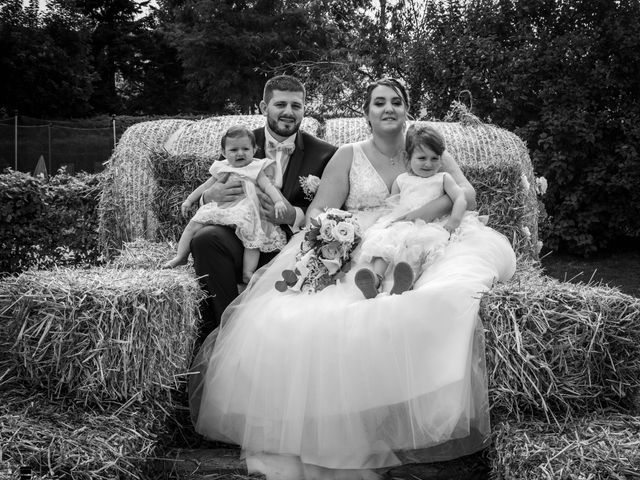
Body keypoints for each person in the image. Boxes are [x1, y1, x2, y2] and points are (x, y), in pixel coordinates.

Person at [189, 78, 517, 480]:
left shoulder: (427, 149)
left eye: (396, 101)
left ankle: (414, 406)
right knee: (316, 315)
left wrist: (414, 216)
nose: (388, 108)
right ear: (366, 112)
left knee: (444, 294)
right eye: (379, 102)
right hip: (363, 241)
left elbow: (467, 194)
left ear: (407, 108)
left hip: (428, 236)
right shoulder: (347, 155)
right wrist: (334, 240)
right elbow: (318, 214)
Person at [191, 75, 337, 334]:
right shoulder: (238, 143)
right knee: (205, 239)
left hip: (294, 247)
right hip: (243, 238)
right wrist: (209, 197)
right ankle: (225, 332)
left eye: (296, 106)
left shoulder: (325, 154)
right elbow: (211, 188)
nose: (289, 112)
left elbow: (334, 207)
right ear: (262, 107)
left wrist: (294, 215)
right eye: (280, 104)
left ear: (304, 109)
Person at [354, 124, 472, 299]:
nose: (428, 163)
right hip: (403, 223)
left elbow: (461, 197)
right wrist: (386, 223)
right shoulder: (401, 180)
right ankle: (375, 279)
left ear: (441, 159)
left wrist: (454, 219)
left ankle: (406, 281)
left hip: (431, 224)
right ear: (407, 158)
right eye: (422, 157)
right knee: (385, 242)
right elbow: (391, 205)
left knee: (418, 247)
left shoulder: (443, 178)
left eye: (435, 158)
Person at [163, 126, 287, 283]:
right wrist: (189, 200)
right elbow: (205, 187)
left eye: (245, 149)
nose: (240, 153)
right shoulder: (223, 168)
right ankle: (181, 256)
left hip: (246, 210)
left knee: (253, 240)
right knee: (193, 224)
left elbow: (268, 187)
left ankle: (248, 272)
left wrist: (278, 202)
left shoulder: (256, 168)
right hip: (224, 207)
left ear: (254, 150)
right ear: (224, 152)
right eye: (234, 150)